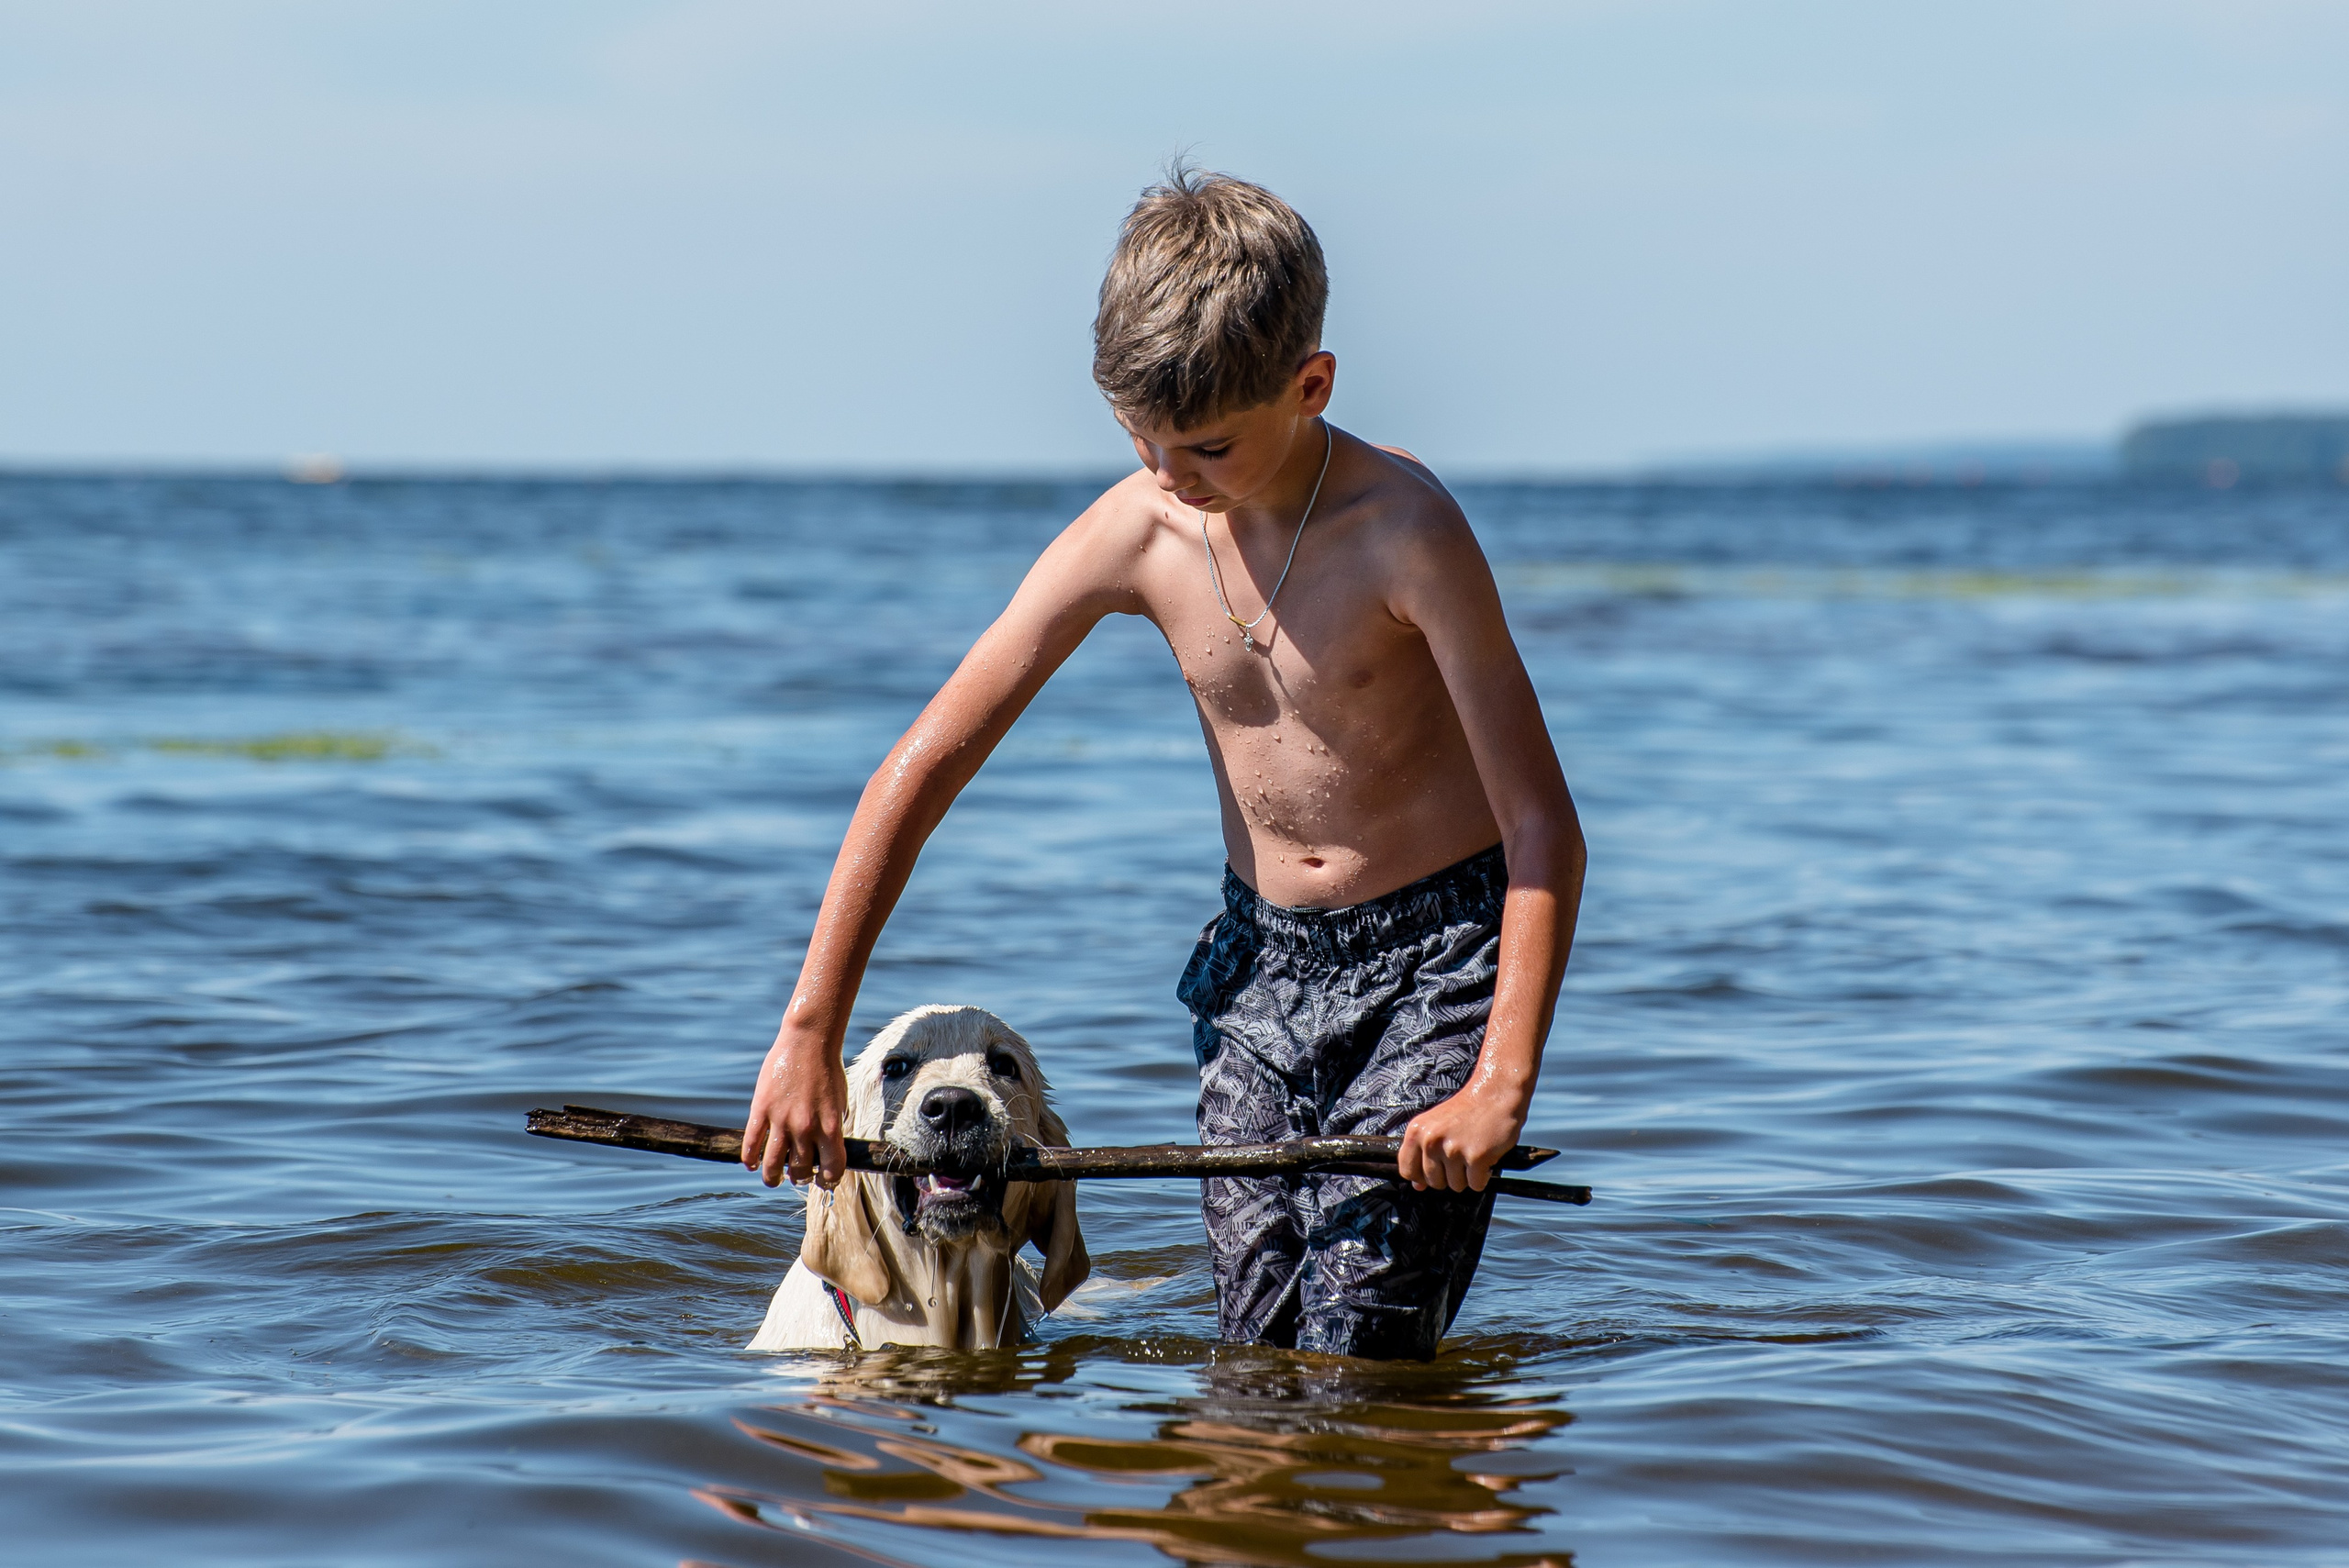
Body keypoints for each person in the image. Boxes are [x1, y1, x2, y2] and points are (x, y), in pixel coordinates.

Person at [744, 165, 1585, 1359]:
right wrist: (810, 1031)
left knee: (1358, 1350)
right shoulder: (1140, 527)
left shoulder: (1407, 533)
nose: (1169, 471)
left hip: (1432, 970)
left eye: (1207, 445)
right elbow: (923, 766)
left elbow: (1545, 829)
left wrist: (1499, 1080)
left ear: (1311, 386)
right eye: (1139, 436)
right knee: (1254, 1353)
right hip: (1260, 973)